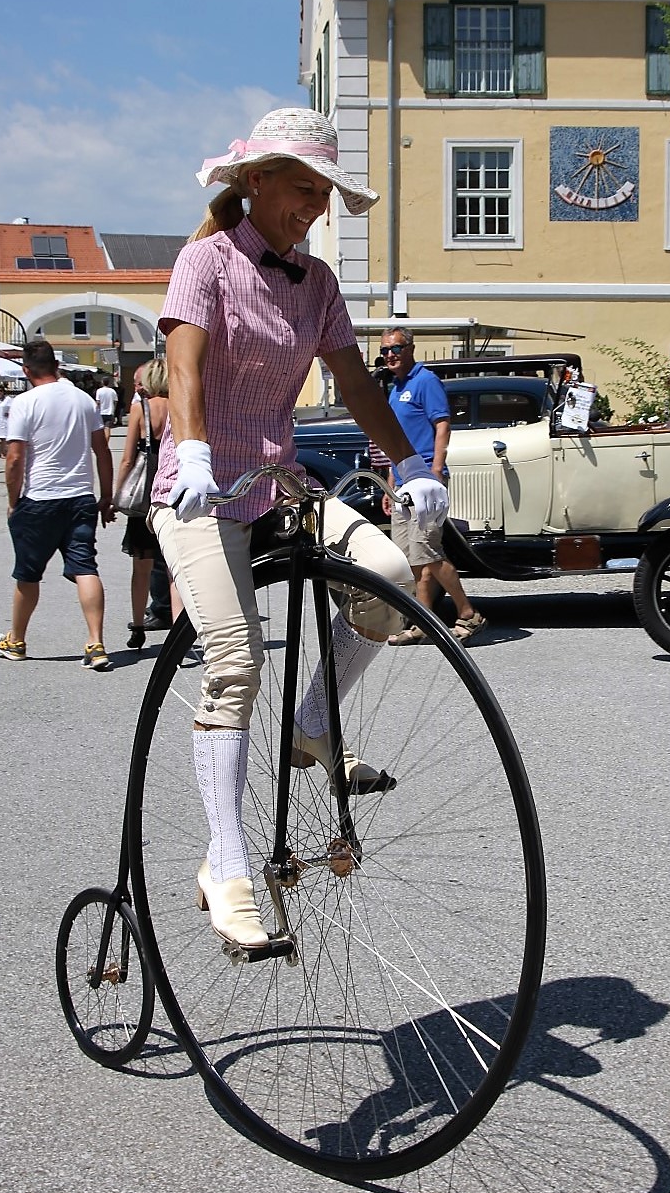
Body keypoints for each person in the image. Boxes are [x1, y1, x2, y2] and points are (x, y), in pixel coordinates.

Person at [149, 106, 448, 954]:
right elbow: (184, 363)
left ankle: (312, 723)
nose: (315, 207)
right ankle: (226, 863)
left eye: (324, 193)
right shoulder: (203, 260)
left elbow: (355, 383)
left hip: (279, 483)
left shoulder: (315, 282)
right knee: (235, 661)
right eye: (303, 189)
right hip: (199, 490)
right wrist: (196, 449)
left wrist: (411, 464)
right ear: (256, 181)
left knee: (389, 576)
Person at [0, 338, 115, 670]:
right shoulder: (83, 400)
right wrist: (106, 496)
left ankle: (16, 640)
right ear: (57, 365)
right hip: (79, 497)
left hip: (40, 498)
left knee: (28, 573)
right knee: (85, 567)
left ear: (26, 370)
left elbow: (15, 459)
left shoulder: (25, 402)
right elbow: (101, 451)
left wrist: (12, 500)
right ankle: (96, 642)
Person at [380, 325, 487, 646]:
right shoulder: (395, 388)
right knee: (411, 560)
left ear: (410, 349)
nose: (389, 356)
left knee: (429, 553)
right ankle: (422, 622)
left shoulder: (425, 381)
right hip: (401, 484)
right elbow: (394, 439)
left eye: (395, 349)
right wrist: (389, 481)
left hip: (425, 481)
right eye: (384, 350)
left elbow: (442, 424)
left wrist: (435, 470)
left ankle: (469, 614)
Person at [114, 358, 181, 649]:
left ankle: (138, 627)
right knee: (173, 569)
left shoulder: (140, 409)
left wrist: (116, 495)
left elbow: (128, 458)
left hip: (144, 498)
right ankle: (181, 633)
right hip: (173, 490)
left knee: (140, 567)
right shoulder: (180, 406)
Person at [0, 384, 15, 457]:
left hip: (4, 420)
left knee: (3, 438)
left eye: (1, 391)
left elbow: (13, 408)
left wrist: (9, 413)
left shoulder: (8, 399)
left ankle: (2, 453)